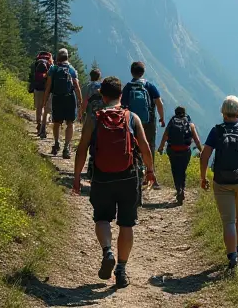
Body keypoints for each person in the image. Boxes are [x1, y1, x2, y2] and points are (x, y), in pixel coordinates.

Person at [72, 76, 156, 288]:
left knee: (102, 218)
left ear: (102, 95)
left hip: (101, 176)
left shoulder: (94, 118)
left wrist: (76, 177)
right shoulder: (132, 117)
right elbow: (145, 147)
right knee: (126, 223)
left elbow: (82, 149)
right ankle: (121, 270)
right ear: (121, 95)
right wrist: (150, 171)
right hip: (128, 176)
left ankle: (107, 251)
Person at [199, 95, 238, 270]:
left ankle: (232, 257)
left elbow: (205, 156)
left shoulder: (216, 131)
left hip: (221, 182)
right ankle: (237, 246)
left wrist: (203, 177)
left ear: (223, 112)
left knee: (228, 221)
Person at [121, 61, 165, 190]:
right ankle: (151, 175)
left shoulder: (128, 87)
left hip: (132, 121)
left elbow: (123, 105)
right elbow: (159, 103)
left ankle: (133, 173)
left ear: (131, 72)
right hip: (148, 121)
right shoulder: (149, 86)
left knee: (132, 144)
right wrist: (162, 118)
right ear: (143, 72)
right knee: (149, 145)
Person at [157, 106, 203, 205]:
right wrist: (201, 151)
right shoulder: (190, 124)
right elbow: (196, 139)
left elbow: (165, 136)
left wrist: (160, 147)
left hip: (172, 150)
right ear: (184, 113)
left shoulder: (171, 123)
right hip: (185, 151)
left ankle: (179, 189)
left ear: (175, 113)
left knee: (175, 170)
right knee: (182, 170)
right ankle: (182, 188)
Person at [42, 48, 82, 159]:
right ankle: (66, 147)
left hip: (57, 98)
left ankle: (56, 143)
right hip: (69, 98)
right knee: (70, 123)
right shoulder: (71, 69)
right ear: (67, 57)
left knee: (57, 122)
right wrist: (80, 101)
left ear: (58, 57)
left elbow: (48, 86)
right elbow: (77, 87)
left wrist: (45, 100)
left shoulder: (53, 69)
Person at [28, 51, 53, 138]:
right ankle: (44, 126)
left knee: (39, 107)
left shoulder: (36, 63)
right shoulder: (50, 64)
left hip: (37, 88)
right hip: (47, 89)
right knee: (47, 110)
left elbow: (31, 76)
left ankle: (39, 124)